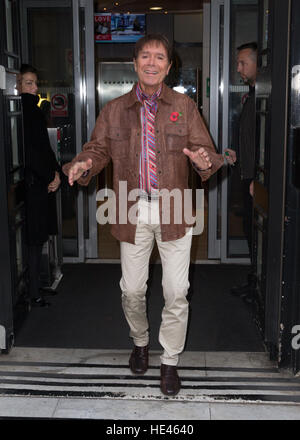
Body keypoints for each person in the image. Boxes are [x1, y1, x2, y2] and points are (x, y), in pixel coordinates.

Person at [63, 34, 224, 396]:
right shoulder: (114, 110)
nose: (152, 63)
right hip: (130, 208)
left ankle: (169, 361)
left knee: (176, 290)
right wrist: (83, 163)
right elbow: (97, 149)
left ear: (169, 66)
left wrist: (204, 161)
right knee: (132, 291)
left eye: (160, 57)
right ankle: (140, 341)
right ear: (135, 64)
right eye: (146, 57)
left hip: (175, 209)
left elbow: (206, 153)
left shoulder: (185, 106)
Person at [17, 64, 61, 307]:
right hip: (35, 185)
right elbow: (34, 153)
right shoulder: (28, 111)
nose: (34, 88)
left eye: (35, 83)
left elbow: (44, 149)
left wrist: (55, 174)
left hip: (38, 183)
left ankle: (35, 286)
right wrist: (52, 176)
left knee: (36, 239)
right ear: (18, 86)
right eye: (28, 84)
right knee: (34, 240)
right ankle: (33, 291)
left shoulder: (29, 110)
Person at [226, 42, 258, 301]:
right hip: (248, 174)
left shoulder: (265, 96)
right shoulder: (252, 93)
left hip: (257, 179)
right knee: (250, 229)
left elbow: (269, 144)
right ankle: (255, 279)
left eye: (242, 62)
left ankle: (259, 284)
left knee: (257, 231)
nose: (238, 68)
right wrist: (237, 152)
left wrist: (258, 178)